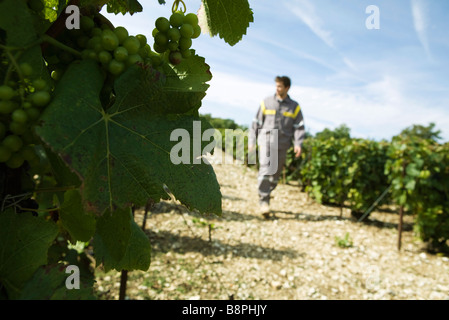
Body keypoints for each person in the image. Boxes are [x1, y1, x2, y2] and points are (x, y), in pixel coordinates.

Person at [248, 76, 305, 218]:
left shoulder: (294, 107)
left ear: (287, 88)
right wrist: (252, 140)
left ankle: (267, 192)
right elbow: (256, 123)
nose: (277, 88)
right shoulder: (266, 102)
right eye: (276, 86)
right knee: (266, 169)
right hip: (266, 141)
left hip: (283, 144)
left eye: (280, 86)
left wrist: (298, 143)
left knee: (275, 174)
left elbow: (299, 127)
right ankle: (264, 201)